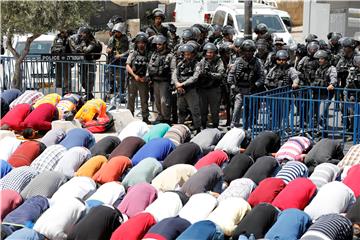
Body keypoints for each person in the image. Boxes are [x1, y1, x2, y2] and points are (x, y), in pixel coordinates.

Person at [228, 39, 265, 129]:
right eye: (246, 51)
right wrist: (232, 85)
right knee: (236, 109)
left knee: (250, 109)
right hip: (239, 90)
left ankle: (249, 126)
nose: (248, 53)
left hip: (251, 90)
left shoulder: (257, 62)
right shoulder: (237, 61)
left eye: (250, 51)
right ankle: (233, 125)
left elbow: (262, 76)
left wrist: (256, 84)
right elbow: (231, 75)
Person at [172, 43, 202, 133]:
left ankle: (198, 129)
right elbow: (174, 74)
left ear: (193, 54)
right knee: (181, 111)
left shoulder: (197, 64)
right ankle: (180, 129)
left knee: (195, 111)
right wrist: (177, 84)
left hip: (191, 91)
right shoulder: (181, 63)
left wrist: (182, 84)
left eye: (188, 54)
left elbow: (195, 77)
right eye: (185, 54)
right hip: (180, 91)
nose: (186, 56)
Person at [147, 35, 174, 124]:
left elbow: (173, 69)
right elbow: (150, 66)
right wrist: (149, 77)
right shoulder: (154, 55)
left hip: (165, 82)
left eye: (160, 44)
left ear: (165, 45)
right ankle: (160, 117)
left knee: (164, 102)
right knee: (157, 101)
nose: (158, 46)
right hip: (155, 81)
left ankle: (166, 118)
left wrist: (173, 83)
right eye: (156, 44)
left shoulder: (170, 56)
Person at [197, 43, 224, 129]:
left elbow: (220, 74)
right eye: (208, 52)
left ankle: (215, 127)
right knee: (202, 110)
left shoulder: (218, 61)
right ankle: (203, 126)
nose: (209, 54)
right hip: (203, 89)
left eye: (211, 52)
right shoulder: (202, 61)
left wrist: (210, 74)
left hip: (214, 89)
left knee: (214, 110)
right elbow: (197, 72)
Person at [69, 26, 100, 99]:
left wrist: (82, 44)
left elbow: (86, 51)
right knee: (83, 79)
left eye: (82, 34)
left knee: (90, 78)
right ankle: (87, 92)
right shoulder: (81, 41)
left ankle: (89, 93)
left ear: (87, 34)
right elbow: (76, 49)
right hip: (83, 63)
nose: (81, 36)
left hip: (90, 62)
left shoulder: (92, 42)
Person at [126, 32, 151, 123]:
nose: (141, 44)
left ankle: (145, 117)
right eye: (139, 43)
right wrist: (135, 76)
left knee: (144, 100)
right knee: (131, 99)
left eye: (143, 43)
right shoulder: (133, 53)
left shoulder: (148, 54)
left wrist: (145, 77)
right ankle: (129, 117)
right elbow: (127, 66)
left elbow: (150, 67)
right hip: (133, 80)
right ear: (136, 44)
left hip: (143, 80)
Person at [312, 49, 337, 129]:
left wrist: (332, 84)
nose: (319, 60)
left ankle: (322, 131)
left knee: (321, 113)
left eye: (321, 59)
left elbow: (334, 77)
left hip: (326, 94)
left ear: (326, 60)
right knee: (314, 113)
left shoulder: (331, 68)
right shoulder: (318, 69)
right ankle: (319, 129)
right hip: (317, 93)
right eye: (319, 59)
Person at [106, 22, 129, 98]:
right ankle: (112, 90)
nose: (116, 33)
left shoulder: (127, 39)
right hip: (112, 60)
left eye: (118, 32)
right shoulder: (111, 39)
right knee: (109, 74)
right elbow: (108, 48)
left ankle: (122, 94)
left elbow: (131, 50)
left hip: (122, 61)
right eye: (115, 31)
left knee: (121, 78)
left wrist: (121, 55)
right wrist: (108, 50)